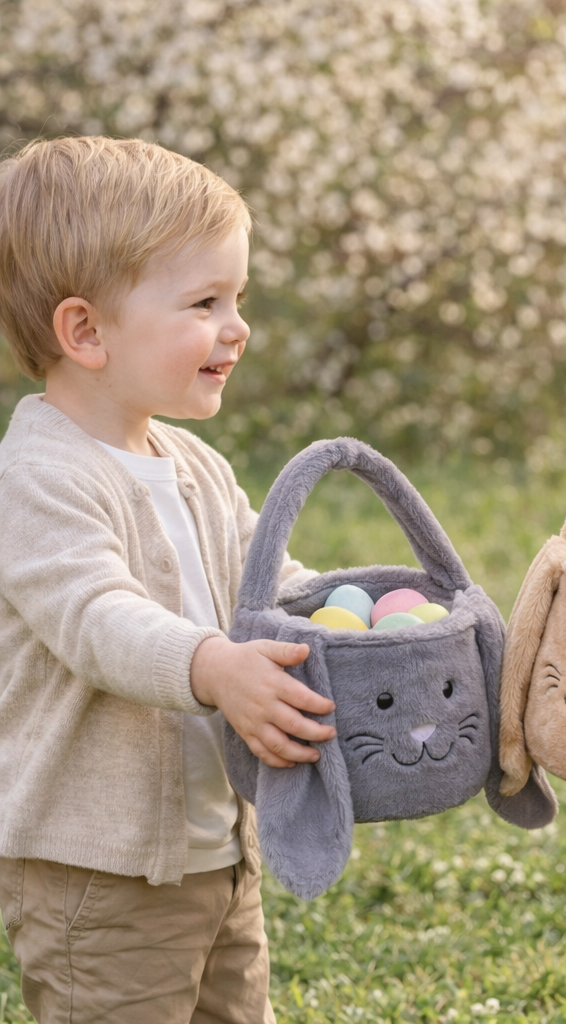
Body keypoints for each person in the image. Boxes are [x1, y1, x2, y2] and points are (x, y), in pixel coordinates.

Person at [0, 136, 338, 1023]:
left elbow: (274, 578)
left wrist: (356, 614)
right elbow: (96, 618)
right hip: (99, 877)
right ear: (85, 332)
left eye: (239, 298)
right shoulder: (40, 477)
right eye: (205, 301)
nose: (239, 326)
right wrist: (215, 668)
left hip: (218, 854)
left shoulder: (190, 460)